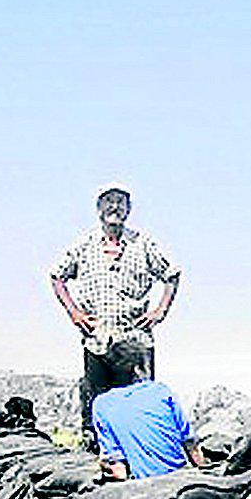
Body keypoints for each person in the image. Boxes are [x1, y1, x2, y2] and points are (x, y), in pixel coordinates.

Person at [49, 184, 183, 449]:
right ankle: (100, 459)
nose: (115, 208)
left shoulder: (143, 244)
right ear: (98, 209)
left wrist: (160, 311)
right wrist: (74, 312)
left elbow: (173, 274)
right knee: (97, 405)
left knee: (141, 405)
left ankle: (140, 458)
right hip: (97, 340)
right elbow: (56, 275)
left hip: (134, 341)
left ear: (129, 209)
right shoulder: (84, 245)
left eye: (121, 203)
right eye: (108, 202)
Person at [91, 339, 206, 480]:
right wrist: (204, 473)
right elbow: (190, 443)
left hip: (146, 485)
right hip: (180, 476)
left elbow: (117, 466)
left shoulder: (102, 404)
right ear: (137, 368)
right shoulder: (160, 391)